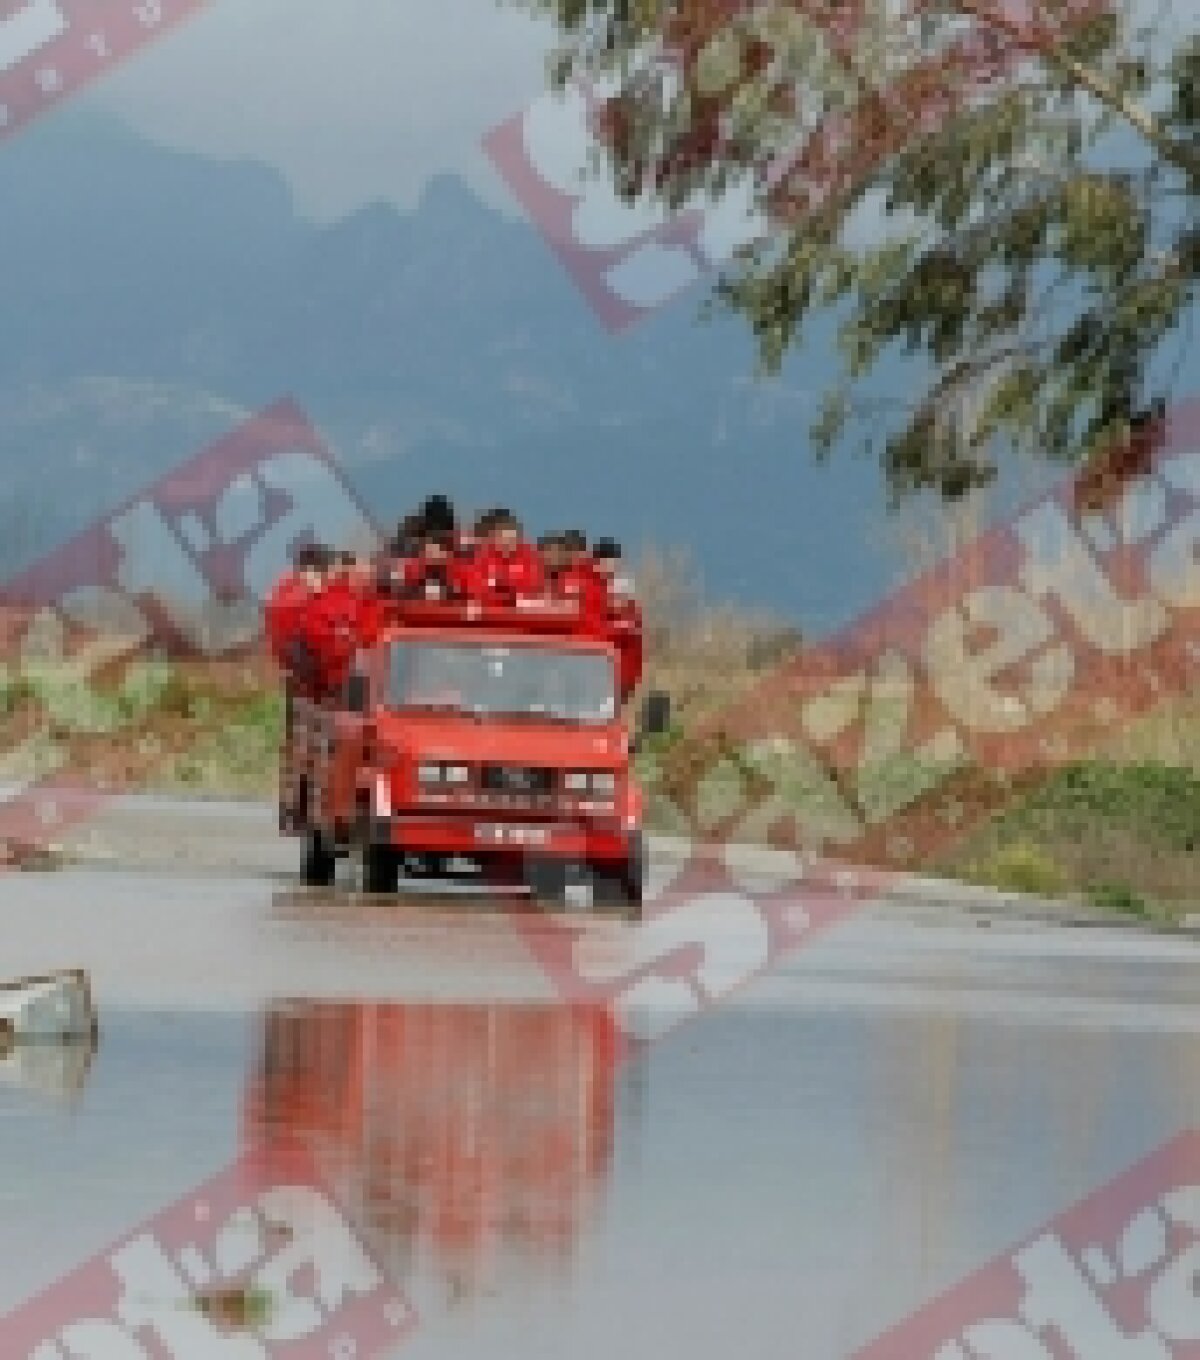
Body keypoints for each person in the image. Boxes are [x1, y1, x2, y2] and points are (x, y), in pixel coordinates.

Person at [474, 508, 544, 603]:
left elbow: (535, 590)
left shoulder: (530, 560)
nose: (507, 539)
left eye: (510, 532)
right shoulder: (477, 560)